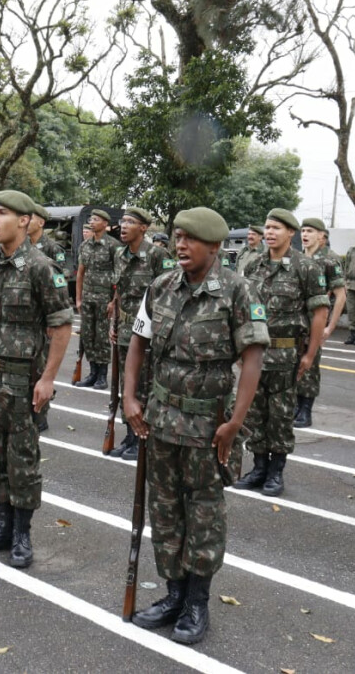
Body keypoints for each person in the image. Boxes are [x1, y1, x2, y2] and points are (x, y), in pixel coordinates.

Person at [124, 207, 268, 645]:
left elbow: (253, 358)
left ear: (215, 246)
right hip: (162, 420)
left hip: (209, 425)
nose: (180, 246)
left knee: (204, 513)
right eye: (176, 237)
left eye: (190, 239)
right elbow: (138, 343)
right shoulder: (161, 286)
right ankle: (173, 594)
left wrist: (235, 422)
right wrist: (130, 398)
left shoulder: (238, 291)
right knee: (164, 510)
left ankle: (197, 602)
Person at [0, 190, 73, 568]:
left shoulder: (42, 267)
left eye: (2, 213)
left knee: (23, 461)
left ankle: (22, 534)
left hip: (26, 384)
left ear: (25, 221)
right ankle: (3, 526)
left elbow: (61, 326)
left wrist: (48, 379)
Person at [236, 209, 329, 496]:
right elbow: (244, 309)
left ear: (291, 232)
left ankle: (276, 473)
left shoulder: (306, 267)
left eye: (277, 227)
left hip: (286, 357)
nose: (270, 232)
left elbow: (319, 312)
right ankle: (259, 467)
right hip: (256, 355)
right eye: (267, 227)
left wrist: (310, 355)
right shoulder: (254, 266)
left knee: (280, 416)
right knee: (254, 414)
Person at [110, 207, 172, 461]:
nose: (123, 226)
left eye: (130, 222)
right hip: (125, 328)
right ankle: (129, 434)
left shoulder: (157, 255)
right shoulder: (119, 254)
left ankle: (143, 435)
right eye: (123, 222)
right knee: (127, 383)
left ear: (144, 228)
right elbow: (119, 290)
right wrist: (114, 321)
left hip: (148, 332)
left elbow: (168, 295)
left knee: (145, 384)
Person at [295, 218, 346, 429]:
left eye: (310, 231)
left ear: (321, 235)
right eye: (303, 231)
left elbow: (341, 295)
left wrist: (330, 327)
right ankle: (296, 407)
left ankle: (306, 410)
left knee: (311, 364)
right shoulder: (297, 258)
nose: (305, 235)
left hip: (316, 320)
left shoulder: (329, 261)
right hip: (296, 322)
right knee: (295, 364)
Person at [27, 204, 67, 432]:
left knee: (41, 365)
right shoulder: (20, 247)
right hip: (26, 316)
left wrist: (53, 320)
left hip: (45, 317)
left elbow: (57, 285)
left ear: (41, 222)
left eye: (30, 218)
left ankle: (42, 413)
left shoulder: (52, 248)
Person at [75, 211, 119, 390]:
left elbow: (118, 276)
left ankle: (102, 375)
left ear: (105, 223)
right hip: (87, 298)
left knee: (101, 337)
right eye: (91, 219)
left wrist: (113, 301)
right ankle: (92, 372)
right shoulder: (85, 246)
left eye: (96, 219)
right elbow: (80, 273)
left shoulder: (113, 246)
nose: (92, 222)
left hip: (104, 299)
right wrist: (78, 298)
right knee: (87, 335)